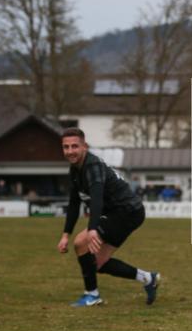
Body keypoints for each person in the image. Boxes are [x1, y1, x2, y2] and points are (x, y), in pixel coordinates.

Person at [57, 127, 160, 307]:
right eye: (66, 147)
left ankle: (92, 295)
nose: (70, 151)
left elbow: (96, 198)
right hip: (120, 213)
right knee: (96, 263)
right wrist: (65, 234)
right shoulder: (75, 170)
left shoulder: (92, 166)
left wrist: (93, 229)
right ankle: (148, 278)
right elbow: (74, 203)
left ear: (84, 147)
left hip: (127, 211)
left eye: (75, 146)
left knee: (81, 243)